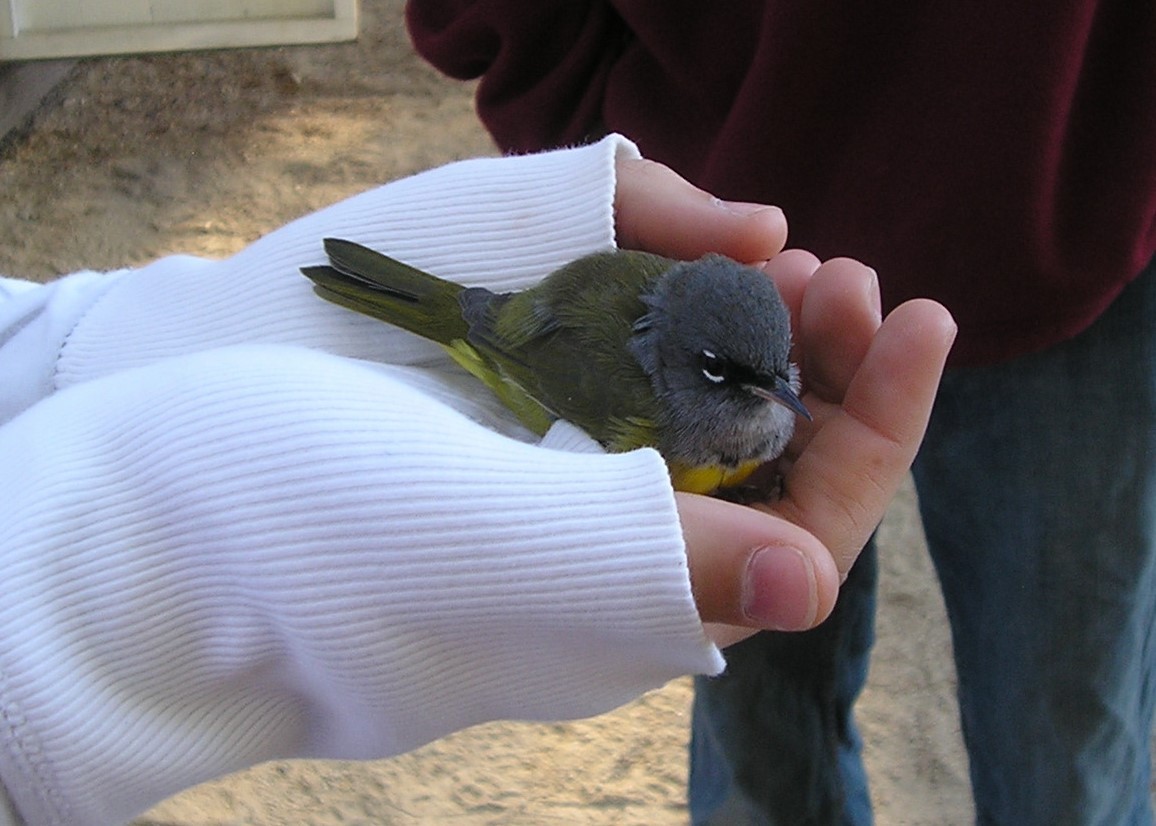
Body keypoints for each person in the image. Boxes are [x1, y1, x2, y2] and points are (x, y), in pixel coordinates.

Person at [0, 134, 953, 825]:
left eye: (781, 370)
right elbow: (511, 338)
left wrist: (84, 352)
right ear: (687, 366)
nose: (784, 395)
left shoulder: (744, 375)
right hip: (515, 341)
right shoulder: (633, 403)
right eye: (738, 381)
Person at [405, 4, 1156, 824]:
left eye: (782, 382)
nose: (786, 400)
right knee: (762, 741)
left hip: (1076, 234)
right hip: (723, 193)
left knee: (1067, 742)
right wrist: (577, 127)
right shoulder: (650, 370)